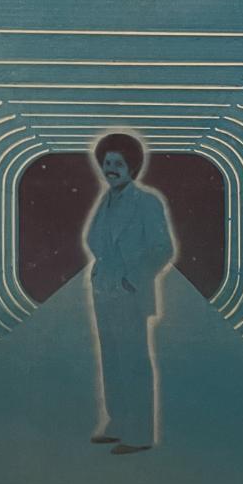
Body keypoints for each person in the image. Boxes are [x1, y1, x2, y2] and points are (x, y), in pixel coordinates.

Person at [84, 132, 175, 456]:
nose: (111, 168)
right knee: (111, 360)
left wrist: (130, 279)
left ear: (132, 167)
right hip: (104, 292)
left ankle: (139, 434)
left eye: (118, 163)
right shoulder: (105, 200)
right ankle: (118, 423)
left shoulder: (147, 202)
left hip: (129, 293)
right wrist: (100, 274)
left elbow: (163, 248)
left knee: (133, 362)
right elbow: (95, 240)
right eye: (107, 162)